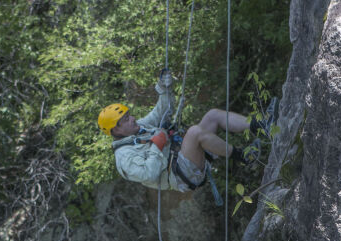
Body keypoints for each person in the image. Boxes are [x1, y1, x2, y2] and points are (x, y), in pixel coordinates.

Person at [97, 70, 268, 192]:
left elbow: (162, 112)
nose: (132, 119)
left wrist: (163, 90)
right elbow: (148, 174)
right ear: (116, 130)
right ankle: (245, 157)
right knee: (194, 132)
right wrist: (157, 146)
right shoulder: (124, 157)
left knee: (212, 116)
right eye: (126, 119)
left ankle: (261, 125)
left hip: (184, 157)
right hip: (180, 175)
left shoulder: (139, 128)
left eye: (129, 115)